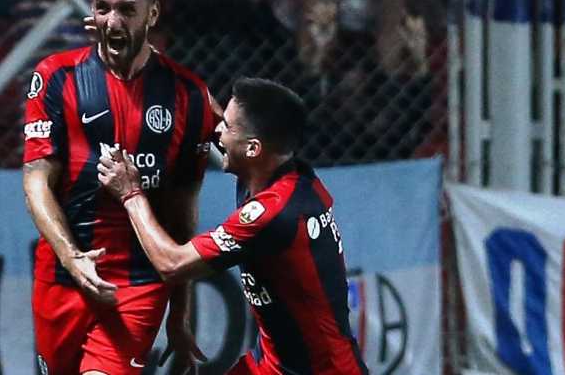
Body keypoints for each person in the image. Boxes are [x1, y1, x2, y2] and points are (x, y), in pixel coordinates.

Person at [22, 0, 220, 375]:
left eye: (127, 9)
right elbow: (36, 181)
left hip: (138, 284)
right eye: (102, 7)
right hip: (62, 279)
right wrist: (73, 258)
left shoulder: (187, 95)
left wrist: (179, 314)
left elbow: (182, 215)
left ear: (152, 14)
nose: (112, 21)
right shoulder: (56, 77)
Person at [98, 77, 368, 374]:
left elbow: (171, 263)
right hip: (271, 364)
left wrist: (131, 193)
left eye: (226, 127)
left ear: (253, 148)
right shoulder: (275, 170)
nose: (217, 131)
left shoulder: (271, 215)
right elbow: (208, 110)